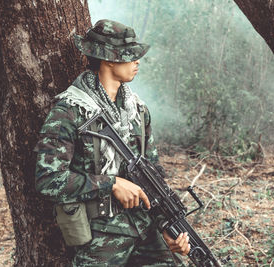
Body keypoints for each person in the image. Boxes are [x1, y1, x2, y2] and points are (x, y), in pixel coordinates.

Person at [35, 19, 189, 266]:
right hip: (101, 235)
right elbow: (48, 180)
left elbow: (154, 177)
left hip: (144, 229)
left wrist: (166, 227)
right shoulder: (71, 110)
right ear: (108, 59)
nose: (137, 62)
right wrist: (111, 184)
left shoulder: (138, 111)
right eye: (130, 56)